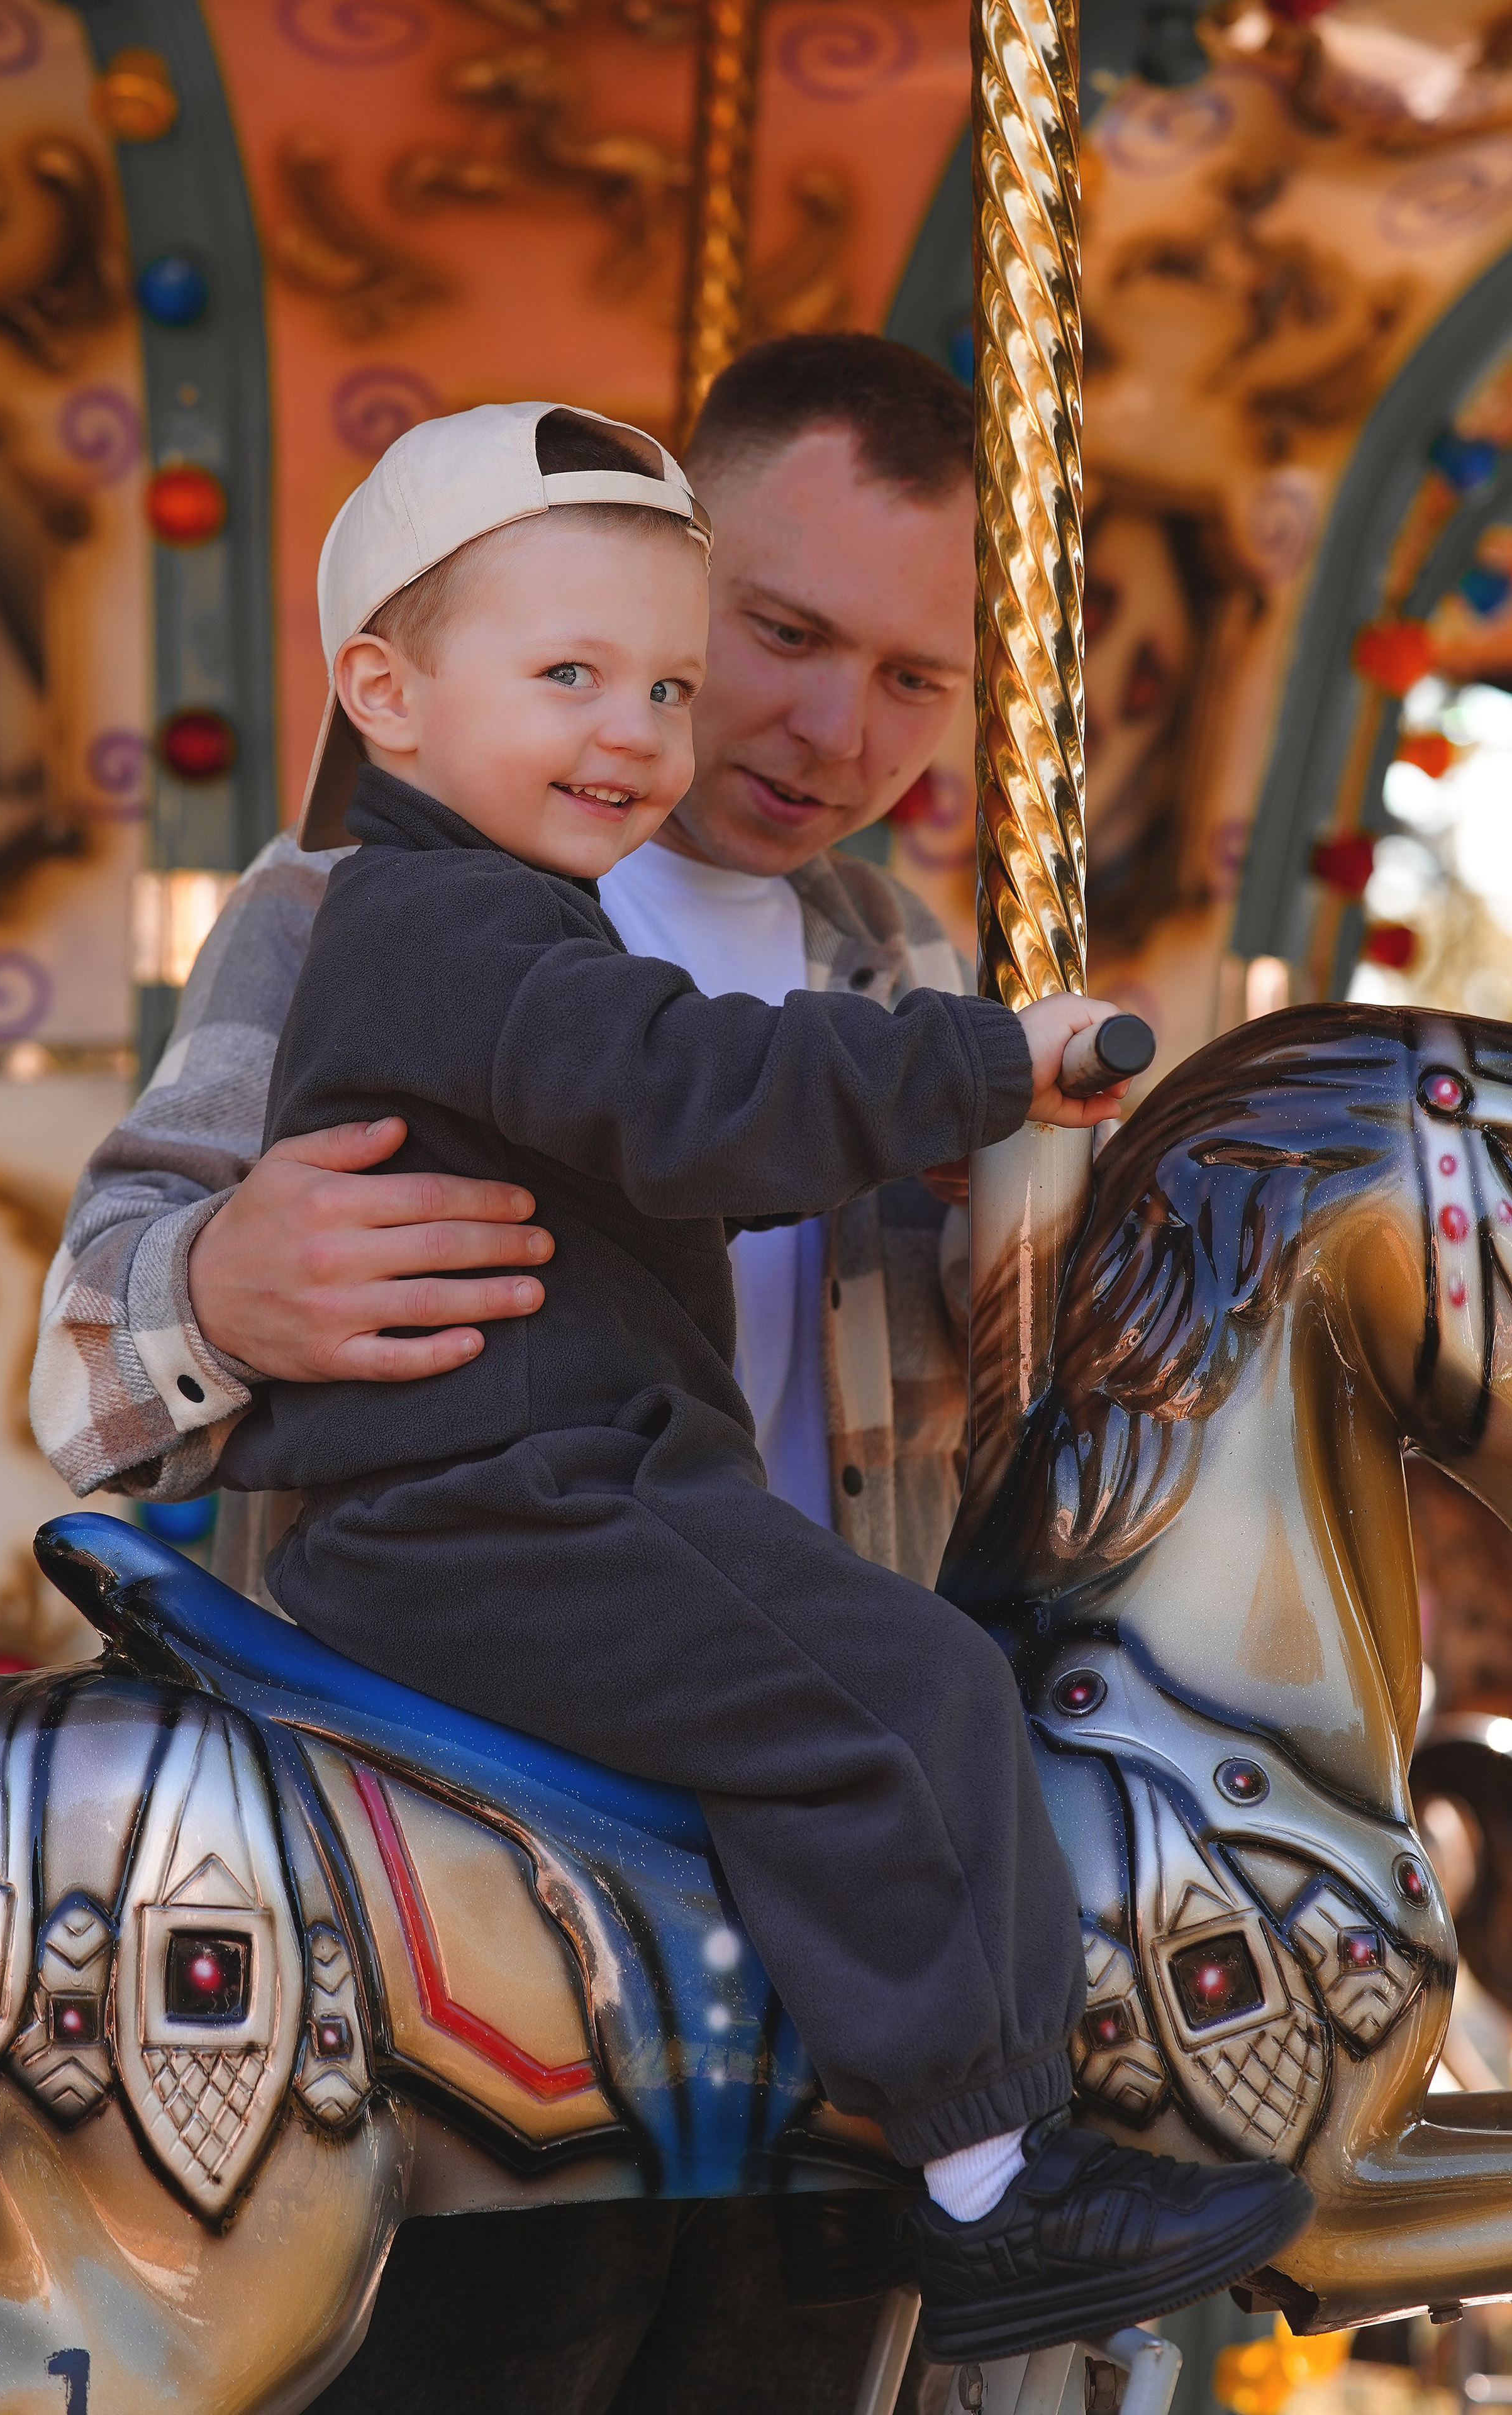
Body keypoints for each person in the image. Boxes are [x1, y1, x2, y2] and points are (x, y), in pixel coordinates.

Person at [213, 391, 1311, 2367]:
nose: (820, 728)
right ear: (397, 690)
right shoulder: (382, 913)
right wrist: (215, 1279)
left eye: (917, 678)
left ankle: (996, 2157)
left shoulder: (894, 955)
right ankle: (1002, 2182)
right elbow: (688, 1103)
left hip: (786, 1832)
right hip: (528, 1720)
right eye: (780, 643)